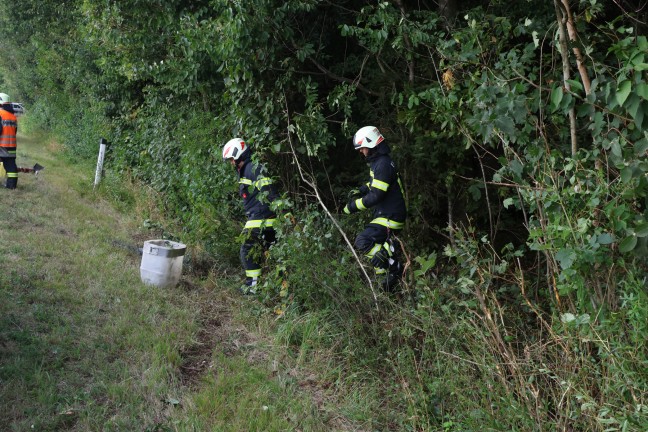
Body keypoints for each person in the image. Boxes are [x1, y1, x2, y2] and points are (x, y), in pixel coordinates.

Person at [343, 126, 407, 291]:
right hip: (388, 214)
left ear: (371, 144)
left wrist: (352, 207)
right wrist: (362, 190)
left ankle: (394, 267)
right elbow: (376, 184)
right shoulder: (380, 162)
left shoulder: (382, 164)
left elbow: (376, 196)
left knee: (362, 241)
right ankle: (387, 283)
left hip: (390, 216)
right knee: (375, 252)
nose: (361, 152)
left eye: (362, 148)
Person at [222, 138, 280, 294]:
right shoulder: (247, 170)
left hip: (262, 219)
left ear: (240, 153)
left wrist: (284, 211)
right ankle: (274, 288)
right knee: (273, 254)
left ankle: (252, 287)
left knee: (247, 249)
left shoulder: (253, 168)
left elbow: (269, 189)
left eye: (232, 160)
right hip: (263, 218)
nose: (232, 163)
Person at [0, 93, 18, 190]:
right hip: (11, 146)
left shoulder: (0, 114)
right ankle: (11, 186)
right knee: (11, 167)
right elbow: (14, 131)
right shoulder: (13, 116)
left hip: (1, 145)